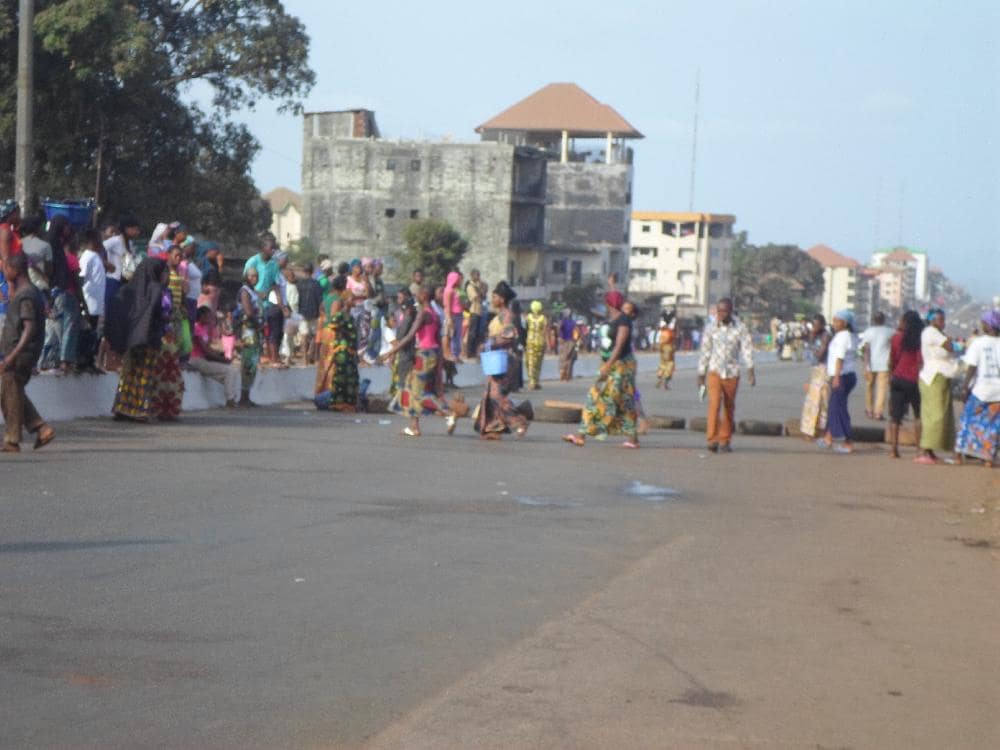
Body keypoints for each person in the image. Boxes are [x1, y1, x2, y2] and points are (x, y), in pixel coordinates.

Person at [563, 291, 639, 448]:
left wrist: (608, 364)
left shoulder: (623, 320)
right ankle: (632, 439)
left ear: (608, 304)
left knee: (603, 397)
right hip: (611, 364)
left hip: (620, 365)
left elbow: (619, 345)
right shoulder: (612, 319)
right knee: (620, 400)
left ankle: (582, 435)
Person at [381, 285, 457, 436]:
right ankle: (414, 426)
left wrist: (391, 351)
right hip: (432, 353)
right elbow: (437, 339)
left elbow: (409, 336)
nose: (415, 296)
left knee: (420, 392)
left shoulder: (423, 313)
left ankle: (449, 413)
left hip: (424, 354)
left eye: (418, 294)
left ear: (423, 296)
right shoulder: (435, 314)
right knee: (410, 387)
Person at [0, 254, 55, 453]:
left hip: (21, 353)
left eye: (6, 268)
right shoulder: (25, 293)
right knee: (12, 393)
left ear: (15, 270)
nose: (4, 272)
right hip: (17, 352)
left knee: (10, 393)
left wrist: (12, 356)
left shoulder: (27, 295)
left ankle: (12, 440)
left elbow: (29, 328)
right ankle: (41, 428)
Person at [107, 258, 169, 421]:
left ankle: (123, 407)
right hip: (149, 338)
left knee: (128, 373)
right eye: (164, 272)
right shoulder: (156, 289)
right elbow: (160, 313)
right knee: (145, 374)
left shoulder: (128, 289)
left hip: (131, 338)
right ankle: (140, 409)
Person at [696, 297, 755, 453]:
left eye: (724, 311)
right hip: (714, 371)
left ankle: (725, 439)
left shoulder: (740, 328)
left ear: (731, 311)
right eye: (719, 311)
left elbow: (747, 349)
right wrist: (701, 374)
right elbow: (705, 351)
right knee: (714, 404)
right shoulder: (710, 328)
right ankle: (712, 439)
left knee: (729, 406)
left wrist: (750, 370)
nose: (721, 314)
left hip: (732, 372)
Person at [476, 281, 528, 440]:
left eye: (495, 296)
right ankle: (494, 427)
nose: (492, 299)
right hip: (495, 358)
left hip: (505, 359)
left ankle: (520, 419)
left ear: (502, 299)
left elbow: (508, 335)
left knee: (497, 395)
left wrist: (489, 343)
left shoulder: (508, 315)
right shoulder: (497, 315)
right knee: (490, 394)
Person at [955, 309, 1000, 467]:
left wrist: (965, 387)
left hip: (981, 390)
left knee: (967, 421)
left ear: (987, 325)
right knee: (992, 426)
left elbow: (972, 367)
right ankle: (987, 458)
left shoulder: (979, 343)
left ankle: (960, 455)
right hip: (998, 393)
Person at [917, 308, 957, 465]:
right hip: (933, 376)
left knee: (943, 415)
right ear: (932, 320)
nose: (943, 323)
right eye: (940, 320)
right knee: (935, 415)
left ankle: (932, 451)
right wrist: (950, 341)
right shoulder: (930, 332)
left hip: (942, 375)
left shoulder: (936, 333)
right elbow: (949, 346)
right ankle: (926, 449)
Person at [314, 275, 359, 412]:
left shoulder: (327, 297)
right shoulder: (338, 301)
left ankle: (321, 392)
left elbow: (321, 311)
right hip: (335, 334)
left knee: (324, 364)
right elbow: (335, 318)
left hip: (325, 332)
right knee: (333, 365)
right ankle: (329, 392)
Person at [817, 310, 858, 453]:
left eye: (836, 321)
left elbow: (839, 358)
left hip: (841, 376)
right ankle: (828, 438)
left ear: (844, 323)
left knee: (838, 409)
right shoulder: (845, 336)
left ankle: (848, 442)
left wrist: (836, 377)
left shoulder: (843, 337)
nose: (833, 324)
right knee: (834, 407)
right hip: (845, 375)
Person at [187, 306, 239, 407]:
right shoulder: (197, 328)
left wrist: (220, 356)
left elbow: (208, 348)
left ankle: (232, 399)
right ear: (201, 316)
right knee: (230, 370)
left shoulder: (204, 329)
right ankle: (230, 400)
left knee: (231, 372)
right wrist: (222, 360)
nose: (210, 319)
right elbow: (206, 350)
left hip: (203, 360)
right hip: (196, 359)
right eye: (208, 316)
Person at [242, 235, 282, 368]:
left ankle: (269, 357)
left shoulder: (274, 264)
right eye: (271, 248)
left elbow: (275, 284)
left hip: (267, 303)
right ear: (263, 248)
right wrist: (256, 293)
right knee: (251, 329)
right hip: (252, 301)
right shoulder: (253, 261)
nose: (273, 251)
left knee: (267, 332)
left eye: (274, 249)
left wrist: (280, 304)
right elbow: (245, 280)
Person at [888, 311, 924, 459]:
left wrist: (892, 374)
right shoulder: (919, 340)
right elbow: (921, 361)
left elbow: (893, 359)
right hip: (914, 380)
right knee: (918, 416)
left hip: (898, 378)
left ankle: (894, 450)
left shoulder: (897, 338)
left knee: (895, 417)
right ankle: (919, 450)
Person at [77, 229, 107, 370]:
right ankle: (83, 360)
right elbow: (81, 277)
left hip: (97, 302)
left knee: (94, 332)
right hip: (89, 302)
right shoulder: (87, 257)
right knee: (87, 332)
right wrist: (82, 301)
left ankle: (89, 360)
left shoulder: (96, 256)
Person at [799, 314, 832, 438]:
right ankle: (810, 429)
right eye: (813, 325)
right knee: (813, 401)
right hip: (817, 370)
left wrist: (811, 338)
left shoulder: (826, 336)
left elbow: (819, 355)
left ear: (822, 325)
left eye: (817, 325)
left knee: (821, 401)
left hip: (824, 370)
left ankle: (820, 429)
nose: (814, 327)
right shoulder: (816, 335)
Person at [858, 311, 894, 420]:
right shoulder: (890, 332)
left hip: (870, 364)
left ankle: (869, 410)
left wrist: (865, 364)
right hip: (884, 364)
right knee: (882, 389)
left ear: (873, 320)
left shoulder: (868, 332)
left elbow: (863, 349)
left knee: (869, 387)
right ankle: (878, 412)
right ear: (884, 320)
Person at [236, 268, 262, 407]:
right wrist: (258, 324)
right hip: (248, 331)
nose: (254, 278)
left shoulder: (253, 291)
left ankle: (247, 396)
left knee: (252, 363)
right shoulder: (245, 291)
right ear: (246, 276)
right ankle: (243, 397)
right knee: (248, 362)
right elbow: (249, 312)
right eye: (252, 276)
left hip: (254, 330)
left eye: (256, 276)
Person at [102, 216, 140, 311]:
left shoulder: (130, 244)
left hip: (124, 282)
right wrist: (107, 264)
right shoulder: (115, 241)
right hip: (113, 281)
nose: (137, 232)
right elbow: (98, 249)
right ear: (127, 229)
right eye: (135, 229)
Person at [387, 287, 418, 397]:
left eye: (401, 298)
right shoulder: (400, 312)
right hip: (401, 346)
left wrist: (393, 351)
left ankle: (402, 398)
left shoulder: (409, 312)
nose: (399, 300)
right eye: (398, 298)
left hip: (405, 347)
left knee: (404, 374)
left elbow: (403, 332)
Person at [296, 263, 323, 365]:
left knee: (304, 335)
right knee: (314, 335)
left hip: (302, 313)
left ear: (304, 271)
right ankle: (310, 352)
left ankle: (305, 359)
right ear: (312, 272)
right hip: (314, 313)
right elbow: (320, 300)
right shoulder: (316, 283)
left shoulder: (299, 284)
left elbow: (296, 298)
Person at [20, 216, 52, 294]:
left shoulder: (18, 244)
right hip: (40, 285)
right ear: (37, 229)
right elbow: (49, 268)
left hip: (21, 284)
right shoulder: (45, 245)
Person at [524, 300, 548, 389]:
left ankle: (532, 382)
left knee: (530, 363)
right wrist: (547, 343)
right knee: (538, 363)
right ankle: (537, 381)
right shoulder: (543, 318)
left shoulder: (529, 317)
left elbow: (525, 328)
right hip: (540, 342)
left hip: (530, 342)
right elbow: (545, 331)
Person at [442, 270, 465, 363]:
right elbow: (447, 305)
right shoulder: (449, 290)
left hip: (459, 315)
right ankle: (449, 354)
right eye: (458, 279)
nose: (459, 280)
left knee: (457, 336)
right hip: (452, 315)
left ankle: (456, 354)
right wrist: (449, 317)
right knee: (450, 335)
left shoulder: (456, 290)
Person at [463, 268, 487, 356]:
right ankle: (469, 351)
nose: (478, 277)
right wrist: (481, 290)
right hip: (473, 311)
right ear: (472, 276)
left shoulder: (479, 285)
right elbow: (476, 297)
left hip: (480, 311)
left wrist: (481, 289)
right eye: (476, 275)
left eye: (479, 275)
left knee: (478, 332)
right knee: (472, 332)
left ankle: (474, 351)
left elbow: (484, 295)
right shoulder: (470, 286)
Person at [656, 307, 677, 389]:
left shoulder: (662, 324)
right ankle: (665, 382)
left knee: (662, 362)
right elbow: (674, 330)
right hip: (669, 345)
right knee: (670, 363)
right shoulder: (672, 324)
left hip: (662, 345)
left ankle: (660, 379)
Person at [557, 310, 578, 381]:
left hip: (563, 342)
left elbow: (559, 329)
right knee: (569, 359)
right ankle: (568, 375)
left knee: (562, 358)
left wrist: (560, 337)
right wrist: (576, 341)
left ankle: (562, 371)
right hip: (571, 341)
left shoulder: (562, 322)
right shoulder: (573, 322)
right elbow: (577, 331)